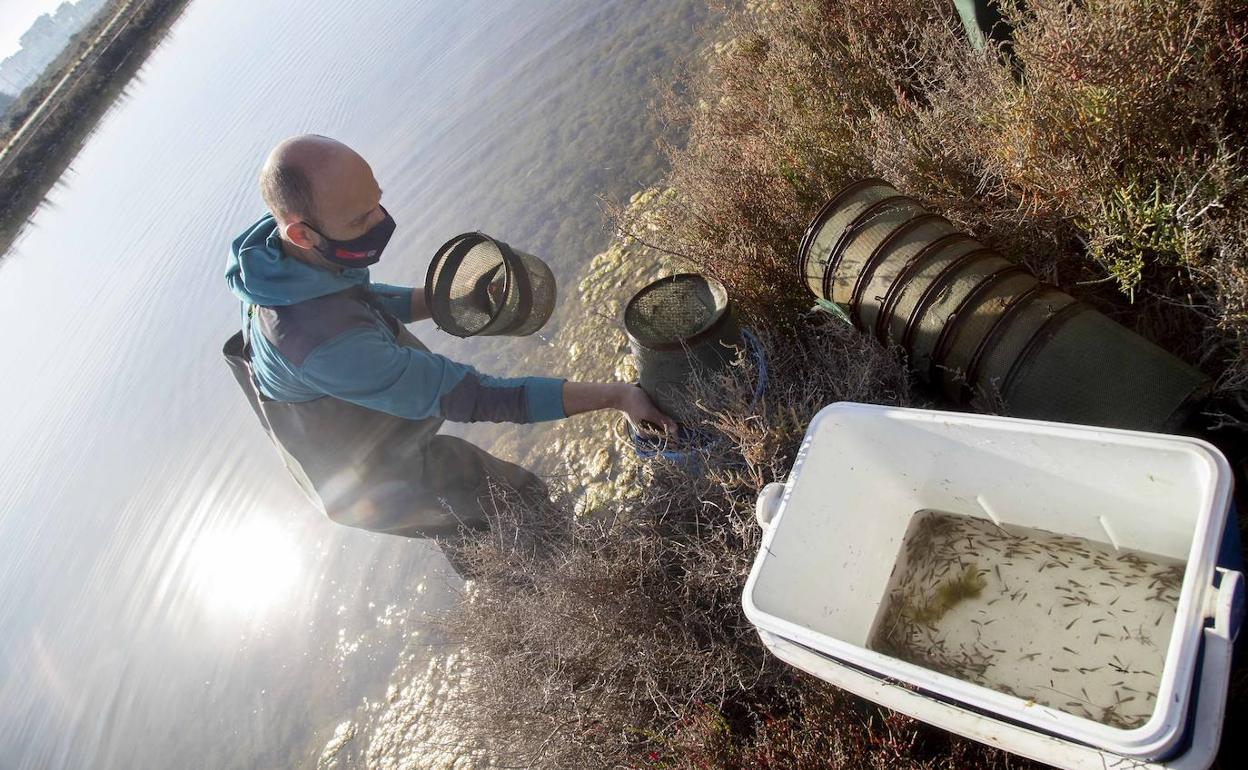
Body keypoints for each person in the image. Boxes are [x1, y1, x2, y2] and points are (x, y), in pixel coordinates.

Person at [223, 135, 674, 543]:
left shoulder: (276, 261)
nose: (380, 220)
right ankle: (562, 584)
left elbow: (363, 300)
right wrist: (617, 395)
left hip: (344, 399)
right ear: (300, 232)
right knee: (507, 505)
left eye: (378, 201)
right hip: (369, 477)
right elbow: (477, 396)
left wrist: (456, 300)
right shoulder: (326, 344)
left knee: (486, 512)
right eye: (362, 219)